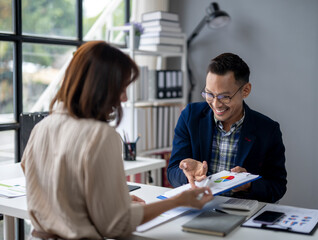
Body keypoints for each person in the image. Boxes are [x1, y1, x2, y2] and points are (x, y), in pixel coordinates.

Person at [21, 41, 213, 240]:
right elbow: (116, 225)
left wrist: (106, 202)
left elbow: (47, 185)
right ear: (100, 88)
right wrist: (178, 201)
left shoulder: (42, 127)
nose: (124, 98)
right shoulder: (100, 135)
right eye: (121, 88)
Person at [167, 53, 287, 203]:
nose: (216, 104)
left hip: (241, 213)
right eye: (209, 94)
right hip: (199, 207)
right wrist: (187, 174)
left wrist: (248, 184)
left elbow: (277, 186)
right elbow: (172, 172)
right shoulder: (190, 116)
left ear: (245, 90)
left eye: (224, 97)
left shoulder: (268, 130)